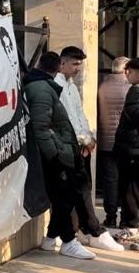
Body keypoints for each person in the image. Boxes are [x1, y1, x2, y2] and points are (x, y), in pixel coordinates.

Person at [25, 52, 96, 259]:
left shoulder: (43, 86)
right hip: (54, 154)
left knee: (65, 196)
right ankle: (68, 241)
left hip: (61, 150)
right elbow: (41, 127)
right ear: (58, 68)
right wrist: (54, 155)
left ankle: (50, 239)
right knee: (63, 197)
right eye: (74, 64)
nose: (77, 68)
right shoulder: (42, 89)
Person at [54, 46, 123, 251]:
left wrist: (88, 137)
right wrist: (82, 140)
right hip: (68, 147)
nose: (78, 68)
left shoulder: (72, 87)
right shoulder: (57, 86)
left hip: (80, 146)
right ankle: (93, 230)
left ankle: (73, 231)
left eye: (80, 65)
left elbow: (80, 115)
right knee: (77, 191)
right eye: (75, 64)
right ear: (62, 63)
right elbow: (65, 120)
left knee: (80, 190)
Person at [97, 57, 131, 228]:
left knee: (110, 181)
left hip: (105, 142)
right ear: (126, 70)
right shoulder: (130, 88)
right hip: (125, 143)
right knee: (126, 182)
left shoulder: (101, 87)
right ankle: (126, 218)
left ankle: (110, 217)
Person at [113, 57, 139, 234]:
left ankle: (131, 226)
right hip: (132, 147)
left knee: (130, 188)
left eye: (130, 71)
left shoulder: (135, 91)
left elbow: (134, 114)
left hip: (132, 148)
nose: (126, 74)